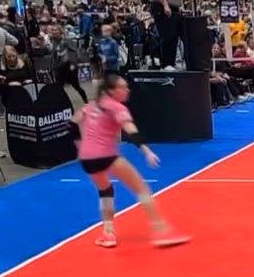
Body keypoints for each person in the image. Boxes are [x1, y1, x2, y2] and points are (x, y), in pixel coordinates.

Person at [74, 74, 190, 248]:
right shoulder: (117, 108)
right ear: (111, 91)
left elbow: (74, 122)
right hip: (106, 155)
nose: (127, 90)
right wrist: (147, 151)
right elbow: (131, 131)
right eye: (122, 87)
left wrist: (80, 142)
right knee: (142, 189)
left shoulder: (89, 106)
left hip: (87, 158)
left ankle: (108, 233)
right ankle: (160, 231)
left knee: (105, 190)